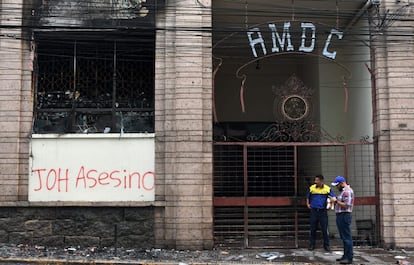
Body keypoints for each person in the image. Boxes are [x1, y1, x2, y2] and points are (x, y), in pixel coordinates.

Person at [306, 174, 336, 251]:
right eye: (315, 180)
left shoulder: (327, 189)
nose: (315, 182)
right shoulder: (312, 188)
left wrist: (330, 205)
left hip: (323, 211)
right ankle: (311, 245)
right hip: (314, 211)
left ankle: (326, 246)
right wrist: (308, 204)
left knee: (324, 229)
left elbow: (333, 198)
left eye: (317, 180)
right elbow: (307, 197)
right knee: (313, 229)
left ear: (321, 181)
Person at [329, 175, 355, 264]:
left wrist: (335, 201)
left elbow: (346, 205)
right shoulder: (343, 191)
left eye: (337, 185)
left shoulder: (348, 191)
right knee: (344, 237)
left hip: (344, 215)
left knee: (347, 237)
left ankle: (349, 257)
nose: (336, 187)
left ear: (341, 183)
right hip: (341, 215)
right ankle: (345, 256)